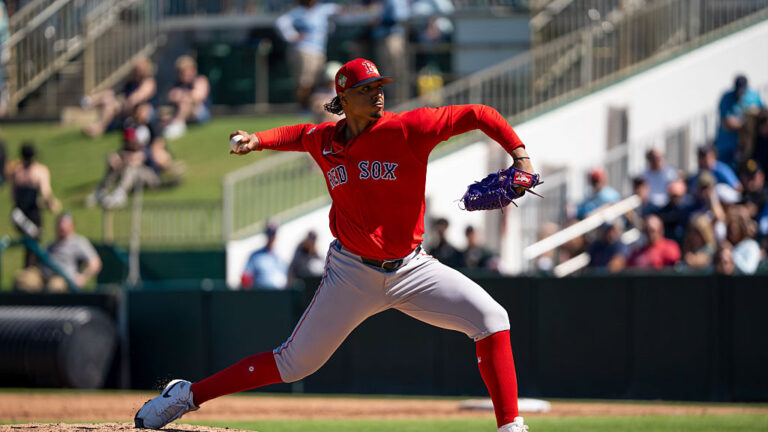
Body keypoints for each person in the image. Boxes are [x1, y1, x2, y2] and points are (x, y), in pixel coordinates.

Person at [135, 58, 533, 432]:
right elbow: (297, 135)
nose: (377, 93)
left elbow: (481, 114)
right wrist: (256, 139)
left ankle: (511, 427)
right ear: (343, 99)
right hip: (352, 273)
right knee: (294, 364)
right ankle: (186, 395)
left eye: (379, 86)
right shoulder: (325, 140)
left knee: (492, 319)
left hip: (412, 268)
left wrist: (521, 157)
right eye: (365, 88)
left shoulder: (410, 127)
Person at [86, 103, 164, 209]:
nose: (130, 142)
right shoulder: (130, 128)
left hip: (151, 176)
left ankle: (120, 194)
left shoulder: (148, 144)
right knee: (116, 164)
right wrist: (115, 157)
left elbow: (138, 158)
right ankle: (101, 192)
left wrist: (124, 158)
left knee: (131, 167)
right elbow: (125, 154)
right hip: (133, 172)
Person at [275, 0, 341, 109]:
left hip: (319, 50)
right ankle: (302, 109)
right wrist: (293, 36)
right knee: (304, 83)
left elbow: (337, 9)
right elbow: (281, 23)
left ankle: (311, 108)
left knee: (316, 82)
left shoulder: (321, 9)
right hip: (304, 50)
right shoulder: (298, 12)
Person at [14, 212, 102, 292]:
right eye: (59, 224)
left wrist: (83, 278)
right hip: (43, 275)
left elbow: (95, 263)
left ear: (72, 226)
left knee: (54, 287)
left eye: (65, 224)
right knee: (23, 279)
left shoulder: (79, 242)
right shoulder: (52, 244)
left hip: (63, 278)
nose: (61, 227)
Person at [8, 143, 61, 267]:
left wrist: (49, 203)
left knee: (33, 242)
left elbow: (13, 196)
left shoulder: (17, 171)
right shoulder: (37, 171)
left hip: (25, 212)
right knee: (33, 238)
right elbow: (45, 192)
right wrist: (51, 203)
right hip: (24, 213)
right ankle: (31, 269)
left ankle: (31, 269)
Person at [82, 56, 157, 137]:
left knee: (110, 104)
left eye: (138, 69)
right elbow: (118, 93)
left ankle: (98, 124)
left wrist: (124, 105)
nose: (136, 71)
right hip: (126, 106)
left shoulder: (148, 82)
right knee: (108, 98)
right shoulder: (131, 82)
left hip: (140, 109)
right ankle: (91, 103)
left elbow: (136, 98)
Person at [714, 75, 765, 167]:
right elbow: (726, 123)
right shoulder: (727, 98)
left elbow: (762, 114)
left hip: (748, 147)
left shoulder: (754, 96)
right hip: (728, 147)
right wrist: (746, 124)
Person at [371, 0, 410, 105]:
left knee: (397, 73)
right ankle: (393, 103)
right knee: (386, 74)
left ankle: (401, 103)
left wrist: (381, 20)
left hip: (393, 38)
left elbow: (400, 17)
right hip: (382, 39)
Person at [163, 56, 211, 140]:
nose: (184, 75)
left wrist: (182, 95)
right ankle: (175, 123)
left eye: (185, 71)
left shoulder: (200, 80)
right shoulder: (178, 83)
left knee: (185, 102)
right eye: (181, 72)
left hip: (200, 114)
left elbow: (198, 96)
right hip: (181, 112)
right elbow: (170, 96)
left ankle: (178, 125)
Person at [241, 223, 288, 290]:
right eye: (269, 233)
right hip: (260, 294)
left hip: (279, 294)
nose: (271, 236)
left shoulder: (281, 256)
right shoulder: (255, 256)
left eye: (273, 233)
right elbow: (246, 277)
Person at [725, 208, 761, 274]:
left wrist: (731, 253)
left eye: (735, 230)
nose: (733, 233)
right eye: (730, 230)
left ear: (741, 229)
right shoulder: (725, 246)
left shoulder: (751, 246)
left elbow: (749, 270)